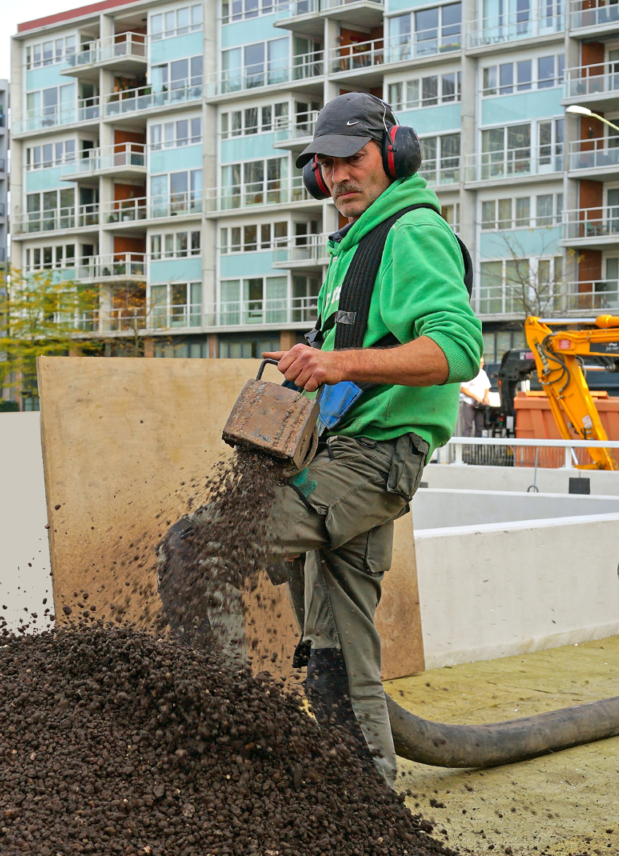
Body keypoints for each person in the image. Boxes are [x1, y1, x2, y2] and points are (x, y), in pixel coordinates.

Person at [156, 93, 482, 788]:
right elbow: (359, 360)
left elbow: (459, 348)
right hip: (351, 455)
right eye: (325, 164)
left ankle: (231, 760)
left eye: (353, 158)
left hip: (373, 460)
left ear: (393, 155)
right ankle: (372, 811)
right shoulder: (358, 244)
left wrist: (336, 362)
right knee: (337, 654)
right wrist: (313, 368)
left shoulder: (410, 232)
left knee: (197, 549)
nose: (338, 176)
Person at [458, 357, 491, 438]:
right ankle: (466, 449)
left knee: (480, 427)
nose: (482, 364)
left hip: (480, 404)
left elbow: (487, 387)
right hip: (469, 403)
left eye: (483, 362)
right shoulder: (470, 373)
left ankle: (478, 449)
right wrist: (475, 397)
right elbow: (463, 389)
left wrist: (486, 397)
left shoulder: (483, 373)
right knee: (468, 426)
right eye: (480, 362)